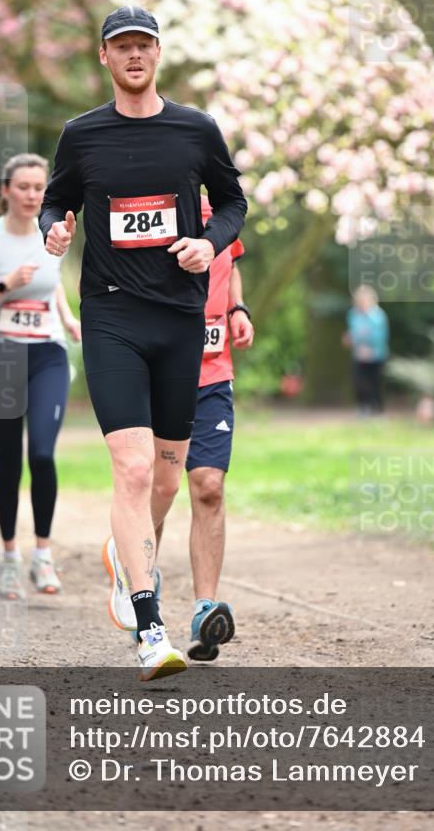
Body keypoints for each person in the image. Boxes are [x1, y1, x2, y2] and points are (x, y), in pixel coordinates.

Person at [39, 5, 247, 681]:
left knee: (167, 475)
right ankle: (150, 626)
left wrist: (206, 242)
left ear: (157, 55)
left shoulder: (194, 130)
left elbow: (235, 201)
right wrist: (55, 229)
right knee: (131, 470)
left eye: (144, 46)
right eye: (121, 46)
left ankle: (124, 557)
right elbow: (55, 199)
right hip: (111, 316)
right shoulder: (81, 135)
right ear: (104, 56)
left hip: (180, 319)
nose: (134, 56)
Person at [0, 154, 81, 600]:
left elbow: (53, 282)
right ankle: (10, 555)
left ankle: (42, 556)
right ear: (6, 190)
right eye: (23, 187)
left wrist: (67, 318)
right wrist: (6, 284)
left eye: (39, 188)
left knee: (43, 454)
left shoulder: (53, 236)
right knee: (8, 465)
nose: (32, 196)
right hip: (0, 356)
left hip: (47, 353)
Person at [155, 194, 254, 662]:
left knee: (209, 485)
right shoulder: (155, 205)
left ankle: (204, 610)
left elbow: (230, 261)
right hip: (159, 372)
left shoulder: (223, 210)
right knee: (159, 486)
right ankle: (139, 587)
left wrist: (238, 309)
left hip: (213, 373)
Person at [343, 284, 389, 415]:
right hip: (359, 355)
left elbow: (380, 336)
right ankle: (363, 407)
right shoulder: (353, 314)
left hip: (376, 355)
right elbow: (353, 333)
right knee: (358, 382)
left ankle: (377, 410)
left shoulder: (378, 316)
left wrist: (370, 349)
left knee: (375, 383)